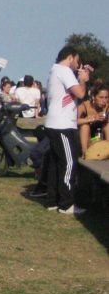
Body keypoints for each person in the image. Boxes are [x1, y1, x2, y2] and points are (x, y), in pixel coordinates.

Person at [44, 45, 91, 215]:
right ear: (70, 57)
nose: (78, 66)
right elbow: (80, 94)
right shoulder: (63, 71)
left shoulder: (54, 70)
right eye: (77, 61)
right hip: (62, 125)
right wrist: (83, 79)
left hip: (56, 123)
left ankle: (53, 200)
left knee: (57, 164)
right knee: (69, 163)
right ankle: (66, 204)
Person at [78, 82, 108, 156]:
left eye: (106, 97)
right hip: (87, 140)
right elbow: (71, 121)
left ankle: (107, 151)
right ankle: (85, 153)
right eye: (101, 97)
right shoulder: (85, 106)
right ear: (94, 97)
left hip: (101, 140)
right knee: (85, 126)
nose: (104, 100)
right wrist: (92, 118)